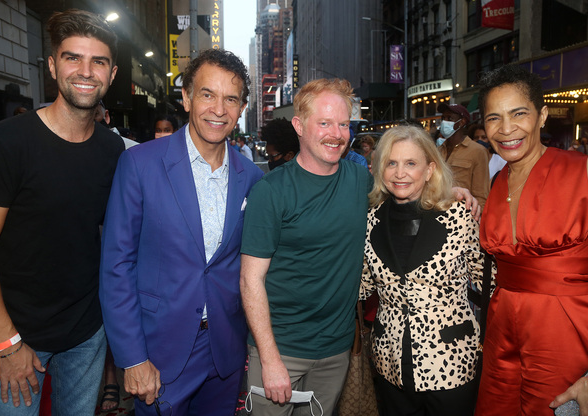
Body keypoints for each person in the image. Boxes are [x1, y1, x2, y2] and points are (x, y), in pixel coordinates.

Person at [99, 48, 263, 416]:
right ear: (187, 98)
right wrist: (132, 357)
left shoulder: (252, 178)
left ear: (242, 107)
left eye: (231, 99)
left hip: (224, 351)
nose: (218, 109)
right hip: (159, 352)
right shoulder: (139, 164)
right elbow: (116, 266)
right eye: (207, 94)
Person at [0, 8, 123, 415]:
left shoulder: (112, 150)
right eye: (72, 58)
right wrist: (6, 342)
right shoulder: (6, 142)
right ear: (52, 65)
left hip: (86, 335)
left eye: (98, 61)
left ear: (112, 74)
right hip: (16, 334)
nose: (86, 71)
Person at [240, 78, 371, 416]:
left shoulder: (360, 181)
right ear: (299, 126)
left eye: (343, 124)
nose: (337, 133)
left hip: (336, 351)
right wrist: (269, 360)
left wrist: (455, 194)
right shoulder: (270, 192)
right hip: (280, 349)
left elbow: (409, 188)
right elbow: (250, 280)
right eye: (324, 123)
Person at [474, 64, 588, 416]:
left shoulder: (581, 173)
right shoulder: (498, 182)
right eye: (494, 118)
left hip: (567, 333)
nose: (506, 129)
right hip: (502, 333)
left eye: (518, 113)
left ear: (542, 116)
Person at [360, 125, 490, 416]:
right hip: (390, 364)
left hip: (452, 364)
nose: (399, 173)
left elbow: (488, 286)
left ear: (430, 170)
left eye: (410, 163)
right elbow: (363, 285)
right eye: (391, 163)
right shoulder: (370, 221)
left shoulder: (459, 216)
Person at [437, 103, 490, 206]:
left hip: (462, 214)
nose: (444, 122)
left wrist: (475, 218)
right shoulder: (438, 150)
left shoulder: (477, 151)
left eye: (449, 118)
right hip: (436, 211)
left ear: (462, 122)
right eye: (443, 118)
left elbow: (481, 194)